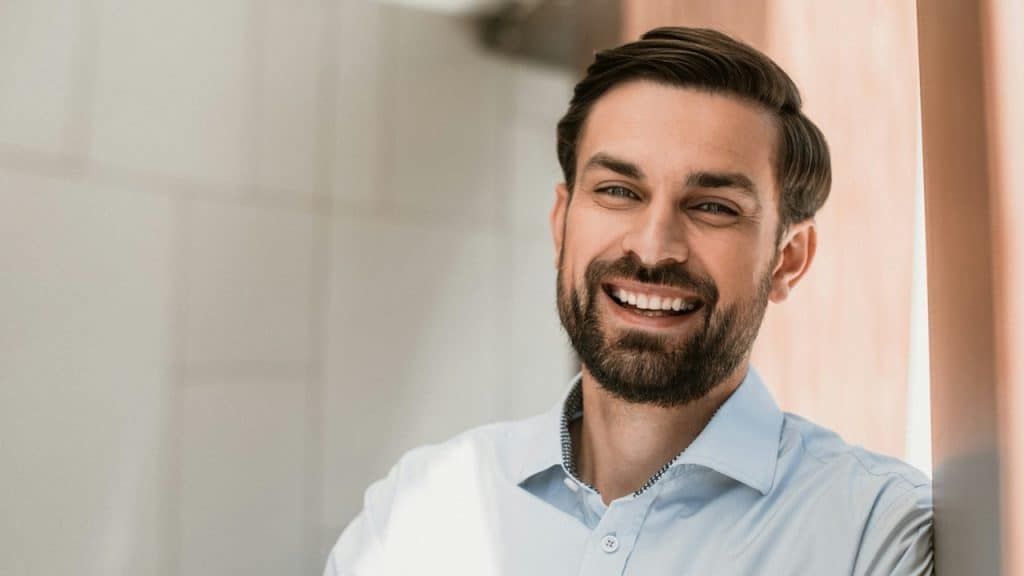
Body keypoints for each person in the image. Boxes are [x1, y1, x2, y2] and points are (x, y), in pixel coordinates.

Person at [324, 26, 933, 575]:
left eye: (714, 207)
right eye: (618, 191)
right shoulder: (425, 504)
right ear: (562, 223)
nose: (653, 246)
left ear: (787, 259)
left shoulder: (876, 533)